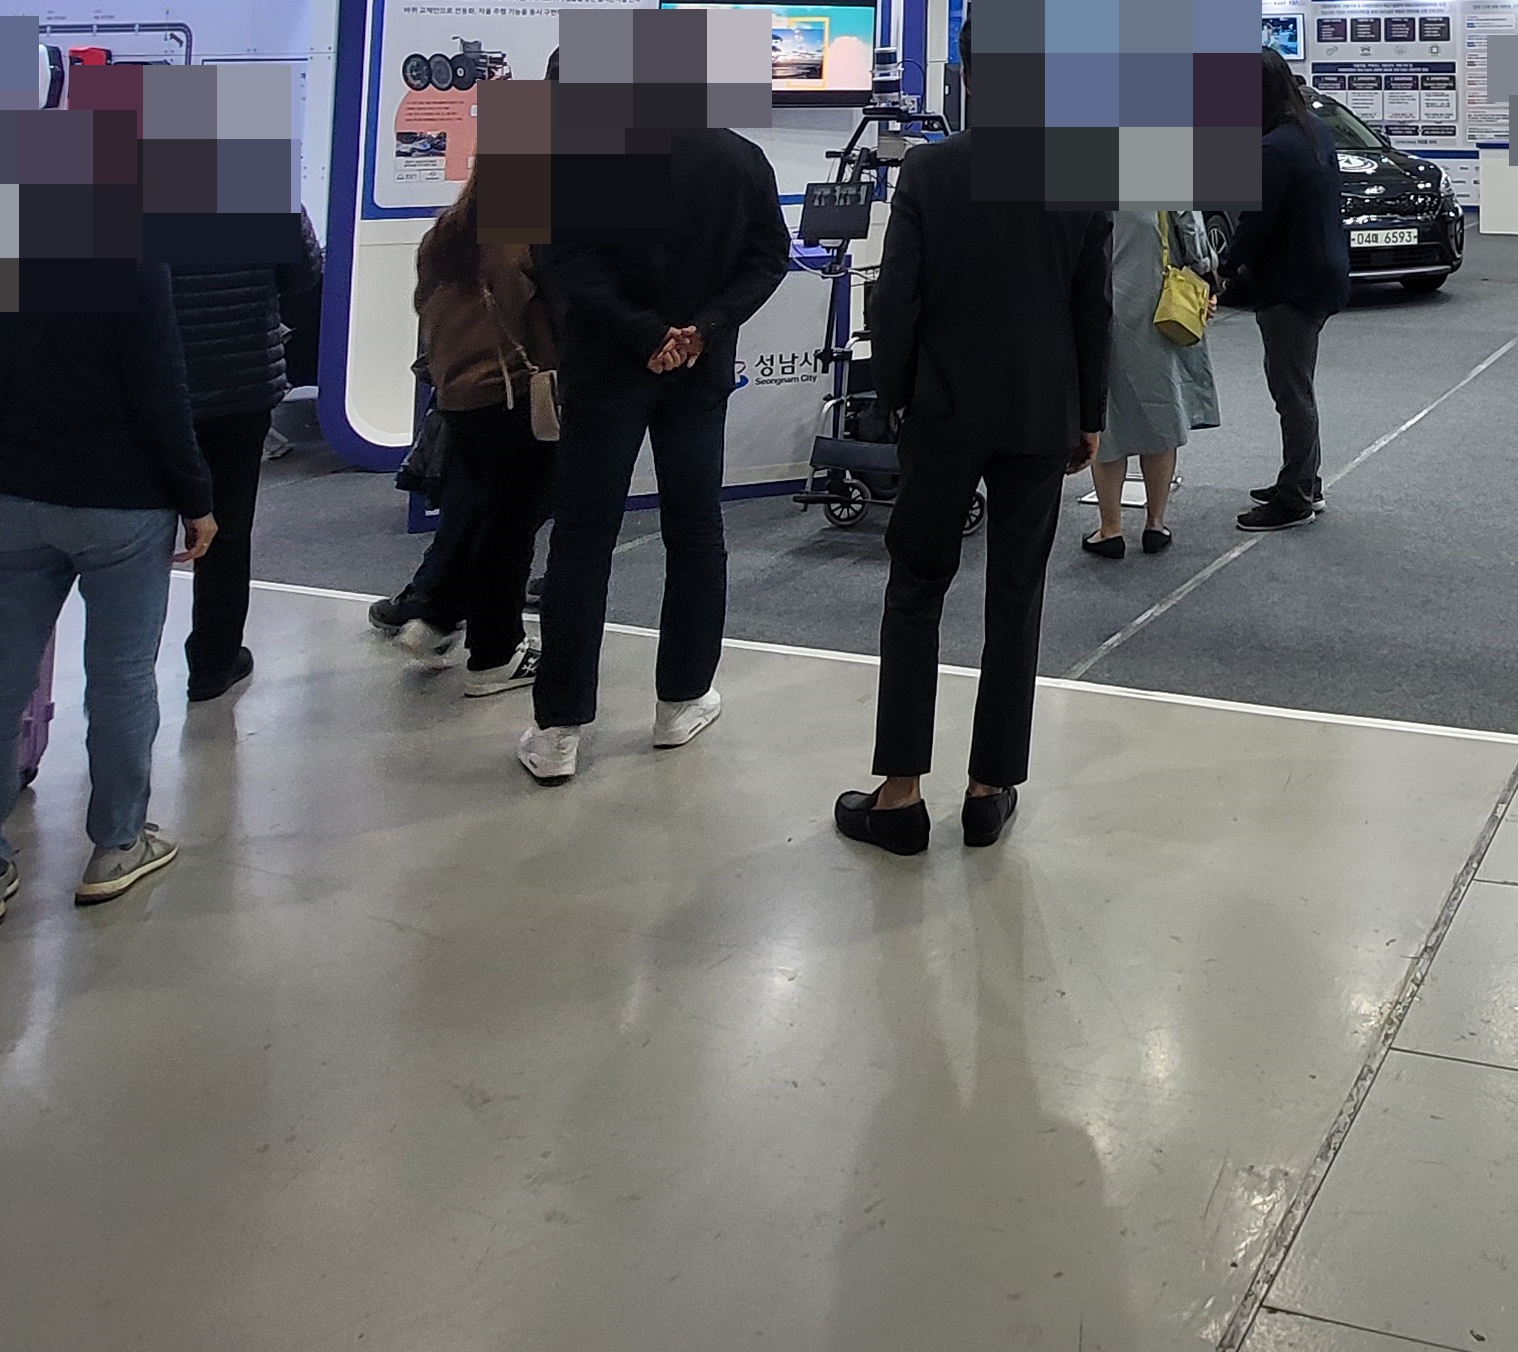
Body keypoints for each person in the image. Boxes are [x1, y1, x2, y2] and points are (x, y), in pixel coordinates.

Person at [839, 109, 1108, 854]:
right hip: (1039, 411)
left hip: (942, 407)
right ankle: (989, 789)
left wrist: (896, 396)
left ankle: (900, 794)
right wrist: (1088, 413)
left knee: (915, 589)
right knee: (1017, 596)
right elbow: (1092, 304)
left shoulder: (929, 169)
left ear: (968, 77)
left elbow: (897, 296)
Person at [0, 270, 214, 936]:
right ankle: (117, 845)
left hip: (12, 494)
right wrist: (196, 498)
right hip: (121, 501)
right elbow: (158, 387)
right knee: (121, 676)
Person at [518, 113, 790, 783]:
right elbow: (767, 255)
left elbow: (565, 261)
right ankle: (682, 700)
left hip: (605, 369)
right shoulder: (738, 156)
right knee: (695, 530)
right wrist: (704, 328)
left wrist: (643, 332)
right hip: (698, 368)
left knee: (582, 539)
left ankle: (558, 730)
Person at [409, 167, 555, 700]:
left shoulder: (445, 233)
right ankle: (495, 653)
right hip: (511, 394)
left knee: (482, 510)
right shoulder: (521, 238)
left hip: (459, 395)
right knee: (511, 525)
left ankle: (436, 611)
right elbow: (539, 315)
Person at [169, 223, 323, 704]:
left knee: (139, 529)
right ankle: (213, 663)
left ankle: (126, 664)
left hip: (157, 379)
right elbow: (303, 274)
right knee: (229, 528)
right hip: (241, 380)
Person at [1226, 51, 1351, 530]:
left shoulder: (1274, 148)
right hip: (1323, 272)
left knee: (1291, 393)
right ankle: (1302, 480)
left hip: (1290, 283)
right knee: (1300, 386)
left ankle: (1295, 498)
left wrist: (1221, 269)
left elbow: (1255, 223)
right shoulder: (1314, 131)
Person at [1085, 209, 1214, 558]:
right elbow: (1191, 231)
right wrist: (1207, 274)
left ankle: (1110, 529)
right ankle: (1155, 524)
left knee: (1106, 419)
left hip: (1098, 307)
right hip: (1156, 306)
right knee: (1161, 414)